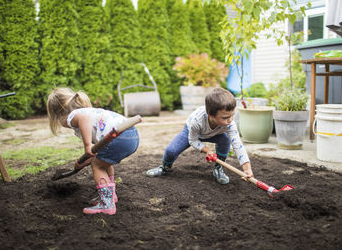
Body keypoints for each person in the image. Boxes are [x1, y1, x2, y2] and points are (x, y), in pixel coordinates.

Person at [47, 87, 139, 215]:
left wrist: (87, 145)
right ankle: (110, 196)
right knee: (103, 162)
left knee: (97, 166)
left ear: (60, 114)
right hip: (131, 134)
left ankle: (107, 204)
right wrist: (82, 162)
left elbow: (84, 119)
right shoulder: (90, 113)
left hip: (118, 136)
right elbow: (97, 153)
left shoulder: (74, 115)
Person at [147, 87, 253, 184]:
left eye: (232, 115)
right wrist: (207, 151)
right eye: (225, 117)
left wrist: (246, 167)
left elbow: (237, 144)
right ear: (211, 115)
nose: (230, 120)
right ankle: (165, 168)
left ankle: (218, 168)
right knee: (171, 151)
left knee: (224, 140)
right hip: (191, 132)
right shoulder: (197, 121)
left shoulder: (230, 123)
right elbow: (192, 140)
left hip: (215, 133)